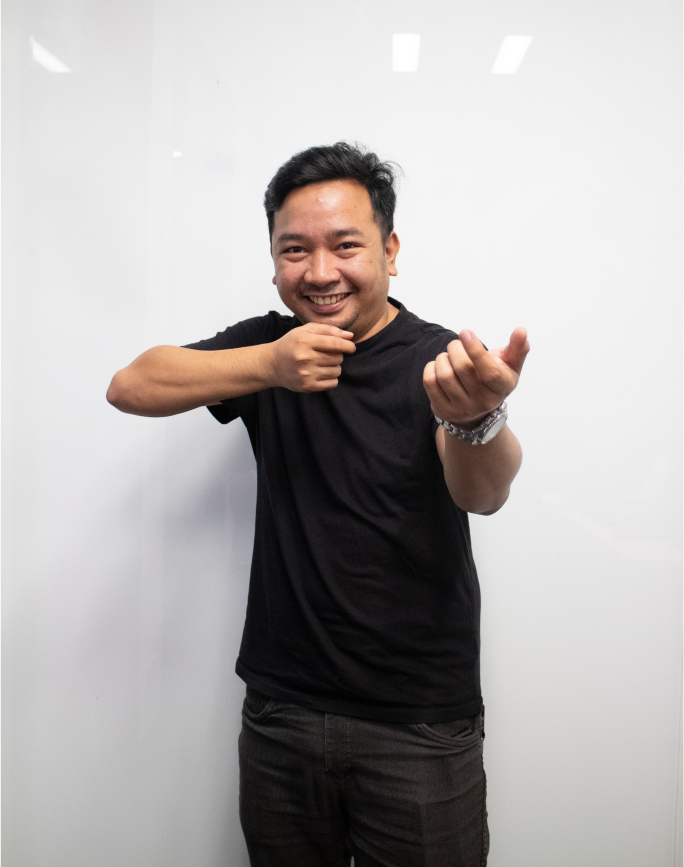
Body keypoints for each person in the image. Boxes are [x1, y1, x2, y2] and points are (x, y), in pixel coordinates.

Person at [107, 142, 529, 867]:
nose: (320, 271)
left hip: (417, 723)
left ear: (390, 251)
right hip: (282, 712)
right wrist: (269, 364)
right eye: (294, 249)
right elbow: (131, 385)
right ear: (274, 261)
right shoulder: (269, 348)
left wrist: (475, 421)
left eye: (346, 245)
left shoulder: (440, 361)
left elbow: (484, 493)